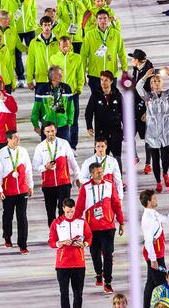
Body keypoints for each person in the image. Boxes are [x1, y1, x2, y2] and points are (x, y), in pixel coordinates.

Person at [75, 162, 124, 294]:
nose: (100, 174)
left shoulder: (109, 185)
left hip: (108, 227)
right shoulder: (85, 188)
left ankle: (107, 282)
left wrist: (121, 222)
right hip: (92, 228)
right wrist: (76, 227)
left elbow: (116, 204)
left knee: (108, 254)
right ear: (91, 173)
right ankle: (98, 273)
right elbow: (79, 208)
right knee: (95, 255)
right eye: (97, 172)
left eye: (101, 172)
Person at [136, 68, 169, 192]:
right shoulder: (148, 97)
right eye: (154, 81)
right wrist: (145, 77)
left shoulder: (167, 95)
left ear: (162, 83)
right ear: (151, 84)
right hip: (152, 133)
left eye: (158, 81)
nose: (156, 83)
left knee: (165, 159)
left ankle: (165, 173)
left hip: (165, 133)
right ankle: (158, 181)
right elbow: (138, 88)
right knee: (155, 159)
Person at [0, 131, 33, 253]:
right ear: (8, 140)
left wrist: (30, 186)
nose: (18, 139)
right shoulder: (1, 153)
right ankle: (7, 236)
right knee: (8, 215)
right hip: (8, 190)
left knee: (22, 217)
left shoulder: (23, 151)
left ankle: (23, 244)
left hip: (22, 189)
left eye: (18, 137)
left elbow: (28, 170)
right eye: (15, 137)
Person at [141, 189, 169, 307]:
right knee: (162, 283)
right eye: (154, 198)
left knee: (151, 283)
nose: (156, 200)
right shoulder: (148, 218)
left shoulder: (153, 213)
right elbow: (148, 241)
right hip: (155, 255)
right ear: (149, 201)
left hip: (157, 253)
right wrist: (153, 259)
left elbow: (168, 220)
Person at [49, 198, 92, 308]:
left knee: (78, 294)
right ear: (63, 208)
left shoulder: (81, 222)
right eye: (68, 212)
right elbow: (51, 242)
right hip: (62, 264)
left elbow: (89, 237)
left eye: (72, 211)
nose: (70, 214)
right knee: (64, 294)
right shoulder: (56, 223)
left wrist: (84, 244)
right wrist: (61, 243)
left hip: (78, 263)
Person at [33, 122, 78, 226]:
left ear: (56, 130)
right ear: (44, 132)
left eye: (52, 131)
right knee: (50, 212)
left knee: (64, 211)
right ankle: (54, 235)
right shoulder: (40, 147)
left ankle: (64, 234)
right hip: (48, 185)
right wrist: (45, 167)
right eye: (48, 131)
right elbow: (35, 166)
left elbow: (72, 162)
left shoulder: (64, 143)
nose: (50, 134)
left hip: (64, 183)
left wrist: (77, 177)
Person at [49, 36, 84, 149]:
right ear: (59, 45)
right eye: (63, 45)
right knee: (59, 119)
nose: (65, 47)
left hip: (72, 94)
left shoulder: (77, 58)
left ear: (70, 45)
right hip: (58, 94)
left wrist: (79, 88)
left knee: (73, 120)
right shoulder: (53, 58)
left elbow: (80, 74)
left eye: (67, 45)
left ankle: (72, 146)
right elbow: (50, 75)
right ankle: (59, 144)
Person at [85, 71, 124, 171]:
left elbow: (124, 113)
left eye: (106, 80)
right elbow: (88, 112)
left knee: (117, 157)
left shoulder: (118, 95)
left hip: (115, 131)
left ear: (111, 81)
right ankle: (99, 178)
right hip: (101, 133)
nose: (103, 82)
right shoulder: (95, 95)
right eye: (101, 80)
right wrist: (89, 126)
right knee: (99, 157)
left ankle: (119, 180)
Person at [81, 10, 126, 95]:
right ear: (96, 20)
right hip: (95, 74)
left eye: (105, 18)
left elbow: (122, 53)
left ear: (109, 19)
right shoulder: (89, 35)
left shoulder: (116, 34)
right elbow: (83, 54)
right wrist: (82, 72)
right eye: (100, 18)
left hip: (111, 73)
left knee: (111, 99)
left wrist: (125, 69)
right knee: (97, 101)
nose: (102, 21)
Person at [31, 65, 74, 143]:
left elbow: (71, 108)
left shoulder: (67, 88)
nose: (61, 76)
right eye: (58, 74)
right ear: (52, 76)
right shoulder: (42, 89)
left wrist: (69, 123)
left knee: (63, 152)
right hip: (47, 127)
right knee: (47, 151)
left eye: (61, 74)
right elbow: (36, 109)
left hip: (63, 126)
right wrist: (35, 125)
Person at [129, 49, 153, 171]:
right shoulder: (136, 69)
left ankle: (148, 164)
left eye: (133, 59)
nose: (131, 61)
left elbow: (151, 93)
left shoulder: (149, 72)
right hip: (134, 108)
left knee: (147, 138)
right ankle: (135, 157)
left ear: (138, 60)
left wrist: (148, 111)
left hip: (144, 109)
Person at [26, 16, 61, 91]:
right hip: (40, 79)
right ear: (41, 26)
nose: (47, 27)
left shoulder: (58, 41)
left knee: (55, 102)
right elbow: (30, 62)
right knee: (40, 102)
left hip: (55, 78)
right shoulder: (34, 42)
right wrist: (29, 80)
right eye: (45, 25)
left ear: (52, 26)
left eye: (49, 25)